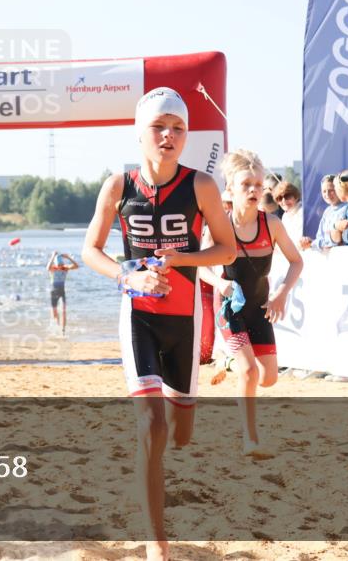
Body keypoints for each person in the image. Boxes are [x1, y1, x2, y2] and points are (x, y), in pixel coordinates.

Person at [81, 87, 236, 561]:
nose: (169, 135)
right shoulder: (118, 185)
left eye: (178, 128)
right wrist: (131, 274)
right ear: (139, 133)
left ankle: (176, 419)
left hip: (185, 321)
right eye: (159, 126)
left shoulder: (201, 185)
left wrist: (183, 256)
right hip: (139, 318)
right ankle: (157, 541)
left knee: (180, 432)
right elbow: (90, 251)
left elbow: (226, 250)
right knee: (150, 426)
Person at [199, 150, 303, 457]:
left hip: (259, 309)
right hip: (229, 310)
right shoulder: (220, 225)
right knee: (250, 373)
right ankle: (250, 439)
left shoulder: (271, 225)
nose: (254, 190)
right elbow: (200, 266)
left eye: (258, 185)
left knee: (269, 378)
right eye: (246, 185)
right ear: (230, 190)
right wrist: (220, 282)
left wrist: (281, 294)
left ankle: (229, 361)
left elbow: (297, 262)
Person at [300, 175, 346, 251]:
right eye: (324, 191)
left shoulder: (347, 208)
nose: (327, 194)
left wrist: (314, 244)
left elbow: (337, 239)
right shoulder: (327, 211)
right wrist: (312, 243)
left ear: (338, 189)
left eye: (331, 190)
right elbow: (320, 237)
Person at [46, 251, 79, 334]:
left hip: (62, 291)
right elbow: (47, 268)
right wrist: (53, 256)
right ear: (56, 263)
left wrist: (68, 258)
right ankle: (57, 326)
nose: (60, 266)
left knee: (64, 311)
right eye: (58, 264)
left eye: (61, 264)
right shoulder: (53, 269)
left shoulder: (65, 268)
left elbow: (76, 266)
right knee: (54, 311)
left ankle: (63, 330)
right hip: (53, 291)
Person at [272, 180, 303, 245]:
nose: (284, 201)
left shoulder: (302, 213)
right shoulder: (285, 216)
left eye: (287, 196)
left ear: (296, 197)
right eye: (280, 198)